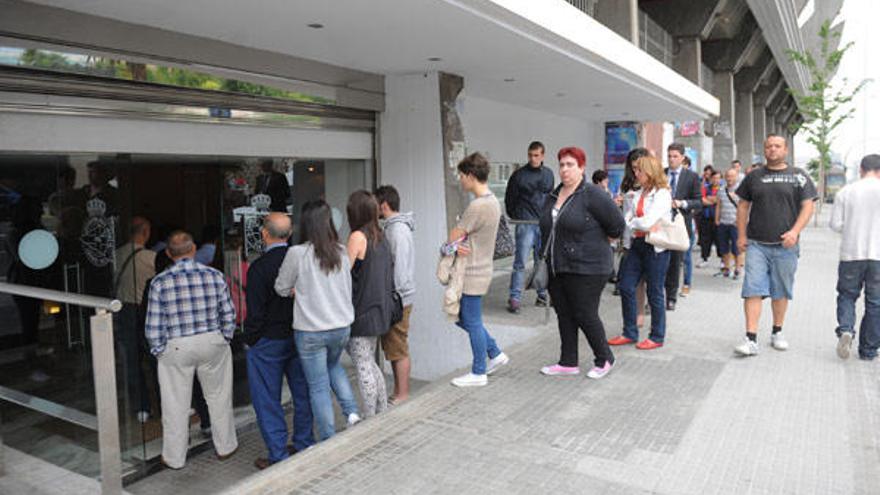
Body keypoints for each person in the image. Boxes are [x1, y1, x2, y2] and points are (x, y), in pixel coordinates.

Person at [145, 230, 238, 469]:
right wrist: (223, 337)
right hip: (212, 341)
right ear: (194, 249)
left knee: (175, 404)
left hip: (177, 344)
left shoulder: (159, 282)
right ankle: (225, 447)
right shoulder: (214, 275)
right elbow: (229, 314)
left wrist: (159, 350)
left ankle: (175, 458)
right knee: (219, 397)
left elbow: (154, 325)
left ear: (168, 253)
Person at [274, 200, 361, 440]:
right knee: (334, 366)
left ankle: (328, 436)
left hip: (311, 331)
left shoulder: (297, 253)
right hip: (341, 326)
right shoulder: (341, 251)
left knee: (318, 386)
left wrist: (296, 290)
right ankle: (352, 413)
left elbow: (281, 288)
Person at [539, 147, 625, 378]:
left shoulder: (592, 194)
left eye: (570, 165)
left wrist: (597, 241)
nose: (565, 170)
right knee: (564, 313)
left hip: (588, 266)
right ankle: (568, 362)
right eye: (562, 165)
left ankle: (605, 358)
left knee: (585, 313)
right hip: (558, 266)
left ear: (581, 168)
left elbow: (617, 225)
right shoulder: (554, 195)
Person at [733, 134, 817, 356]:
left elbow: (808, 207)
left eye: (777, 146)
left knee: (780, 291)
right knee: (752, 288)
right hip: (756, 244)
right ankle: (750, 338)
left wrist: (795, 231)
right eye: (769, 146)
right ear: (764, 150)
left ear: (785, 150)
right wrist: (741, 235)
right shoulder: (754, 176)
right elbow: (742, 206)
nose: (772, 150)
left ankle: (777, 331)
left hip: (785, 246)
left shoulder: (798, 176)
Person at [243, 213, 314, 470]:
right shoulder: (302, 259)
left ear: (265, 234)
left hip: (268, 341)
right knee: (303, 392)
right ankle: (305, 442)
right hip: (300, 334)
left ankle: (278, 455)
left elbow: (255, 312)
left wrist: (250, 339)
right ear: (289, 233)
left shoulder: (260, 267)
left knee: (268, 399)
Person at [446, 152, 509, 387]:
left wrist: (449, 243)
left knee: (470, 321)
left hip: (472, 271)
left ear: (471, 176)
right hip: (482, 268)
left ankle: (478, 371)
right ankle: (494, 352)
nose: (460, 180)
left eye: (462, 175)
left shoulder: (477, 206)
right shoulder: (492, 201)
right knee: (465, 318)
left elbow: (455, 235)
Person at [609, 155, 673, 350]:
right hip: (637, 244)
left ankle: (657, 336)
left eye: (639, 170)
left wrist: (634, 222)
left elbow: (646, 221)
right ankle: (630, 332)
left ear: (650, 172)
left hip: (656, 247)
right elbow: (628, 219)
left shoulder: (662, 194)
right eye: (635, 170)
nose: (635, 173)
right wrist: (635, 222)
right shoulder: (638, 192)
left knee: (655, 292)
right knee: (626, 285)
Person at [345, 190, 394, 418]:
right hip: (379, 309)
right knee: (371, 364)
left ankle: (370, 419)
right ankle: (381, 411)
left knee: (364, 366)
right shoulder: (380, 235)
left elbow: (343, 272)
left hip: (362, 311)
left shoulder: (358, 237)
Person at [830, 154, 880, 360]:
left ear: (861, 169)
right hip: (878, 257)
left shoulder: (846, 191)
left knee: (847, 295)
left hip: (851, 254)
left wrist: (852, 228)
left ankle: (846, 329)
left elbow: (835, 225)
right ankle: (868, 350)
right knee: (876, 302)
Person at [375, 185, 416, 405]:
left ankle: (402, 394)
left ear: (383, 204)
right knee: (395, 346)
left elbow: (399, 269)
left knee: (397, 346)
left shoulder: (396, 230)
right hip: (401, 296)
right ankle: (399, 392)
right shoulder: (397, 227)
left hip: (398, 299)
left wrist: (393, 297)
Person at [503, 141, 554, 313]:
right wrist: (516, 217)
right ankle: (515, 298)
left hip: (543, 223)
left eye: (536, 155)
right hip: (525, 223)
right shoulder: (519, 175)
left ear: (542, 155)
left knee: (541, 260)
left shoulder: (548, 174)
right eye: (530, 155)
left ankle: (541, 294)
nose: (533, 158)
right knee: (520, 262)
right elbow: (510, 198)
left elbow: (550, 197)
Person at [114, 216, 156, 422]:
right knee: (157, 358)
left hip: (123, 310)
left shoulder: (116, 255)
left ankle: (141, 407)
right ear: (145, 232)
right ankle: (164, 403)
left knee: (132, 361)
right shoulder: (150, 257)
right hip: (146, 310)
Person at [614, 148, 651, 326]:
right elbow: (625, 212)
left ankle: (644, 309)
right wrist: (619, 202)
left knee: (647, 279)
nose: (636, 171)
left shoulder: (654, 186)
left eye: (639, 167)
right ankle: (638, 313)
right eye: (633, 167)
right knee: (635, 280)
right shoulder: (627, 183)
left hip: (649, 236)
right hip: (630, 236)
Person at [664, 143, 702, 308]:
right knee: (658, 262)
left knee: (675, 262)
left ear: (682, 157)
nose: (671, 159)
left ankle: (671, 296)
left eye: (675, 156)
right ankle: (656, 296)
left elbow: (698, 202)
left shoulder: (691, 177)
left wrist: (683, 203)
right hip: (661, 225)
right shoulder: (661, 174)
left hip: (680, 225)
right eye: (669, 156)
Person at [715, 168, 742, 279]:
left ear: (736, 177)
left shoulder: (741, 190)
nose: (729, 178)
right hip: (723, 222)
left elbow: (744, 207)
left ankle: (738, 268)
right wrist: (717, 219)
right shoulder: (721, 189)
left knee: (736, 248)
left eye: (732, 176)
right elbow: (718, 205)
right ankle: (726, 268)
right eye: (727, 176)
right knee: (724, 247)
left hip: (735, 223)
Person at [697, 171, 720, 268]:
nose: (716, 180)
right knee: (705, 239)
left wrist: (712, 199)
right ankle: (704, 258)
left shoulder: (723, 189)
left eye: (718, 178)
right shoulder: (706, 188)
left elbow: (720, 200)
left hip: (718, 218)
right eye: (714, 178)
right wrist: (714, 200)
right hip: (706, 217)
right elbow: (702, 200)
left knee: (719, 240)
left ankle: (723, 260)